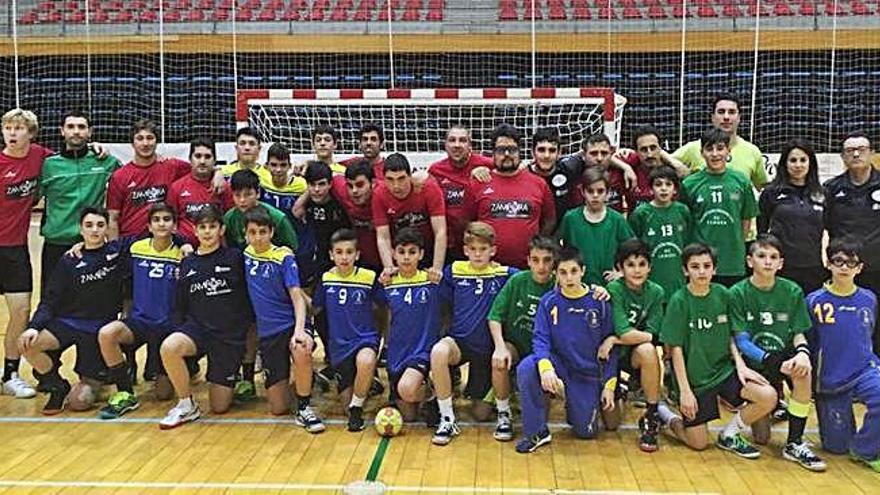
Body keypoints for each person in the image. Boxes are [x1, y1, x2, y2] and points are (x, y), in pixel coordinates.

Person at [658, 243, 777, 458]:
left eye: (706, 266)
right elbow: (674, 348)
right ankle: (665, 415)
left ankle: (729, 435)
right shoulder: (678, 301)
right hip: (696, 380)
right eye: (695, 267)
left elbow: (732, 335)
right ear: (685, 270)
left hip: (723, 371)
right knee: (698, 443)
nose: (702, 271)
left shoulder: (723, 294)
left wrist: (741, 367)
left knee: (767, 397)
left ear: (714, 269)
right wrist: (685, 391)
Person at [730, 235, 826, 471]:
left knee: (804, 371)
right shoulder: (737, 293)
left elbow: (798, 332)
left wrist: (802, 353)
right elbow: (741, 342)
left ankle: (794, 442)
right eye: (761, 256)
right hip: (755, 362)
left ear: (781, 263)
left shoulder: (792, 291)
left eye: (773, 257)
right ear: (750, 260)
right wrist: (773, 362)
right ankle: (763, 405)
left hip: (782, 356)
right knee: (762, 438)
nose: (768, 262)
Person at [514, 246, 618, 453]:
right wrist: (545, 368)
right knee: (527, 367)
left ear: (583, 271)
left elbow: (610, 346)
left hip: (587, 373)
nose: (569, 277)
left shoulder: (600, 302)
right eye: (563, 272)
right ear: (556, 274)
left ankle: (576, 401)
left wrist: (610, 383)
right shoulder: (549, 302)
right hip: (560, 364)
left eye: (573, 271)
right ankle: (536, 431)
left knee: (586, 432)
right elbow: (540, 339)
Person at [19, 207, 123, 414]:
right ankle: (58, 386)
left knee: (80, 402)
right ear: (80, 229)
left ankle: (96, 378)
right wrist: (33, 327)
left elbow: (157, 235)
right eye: (89, 225)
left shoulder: (118, 253)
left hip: (98, 330)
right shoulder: (69, 259)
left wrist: (184, 245)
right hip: (68, 322)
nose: (94, 230)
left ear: (107, 229)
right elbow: (50, 300)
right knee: (27, 344)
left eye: (100, 225)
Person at [158, 205, 252, 429]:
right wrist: (180, 329)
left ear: (221, 229)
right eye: (202, 227)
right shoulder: (188, 262)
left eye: (212, 226)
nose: (207, 232)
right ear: (195, 231)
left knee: (219, 406)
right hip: (197, 330)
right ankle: (186, 404)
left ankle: (231, 376)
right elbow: (180, 304)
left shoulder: (236, 257)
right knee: (170, 347)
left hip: (227, 336)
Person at [430, 222, 517, 446]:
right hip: (461, 343)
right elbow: (439, 299)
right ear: (465, 250)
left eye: (483, 249)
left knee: (480, 413)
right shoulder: (453, 271)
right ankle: (447, 418)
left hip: (489, 348)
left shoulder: (504, 274)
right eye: (473, 249)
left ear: (493, 250)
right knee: (438, 352)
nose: (478, 254)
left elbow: (537, 278)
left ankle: (504, 413)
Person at [242, 206, 325, 432]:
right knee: (278, 408)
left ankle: (305, 406)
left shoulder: (283, 256)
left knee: (301, 347)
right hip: (268, 333)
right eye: (252, 232)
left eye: (262, 231)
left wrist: (299, 329)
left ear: (271, 232)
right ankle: (303, 378)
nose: (258, 237)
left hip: (291, 323)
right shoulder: (246, 255)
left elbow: (297, 297)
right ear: (245, 234)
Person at [96, 203, 181, 419]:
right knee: (107, 334)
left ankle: (173, 370)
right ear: (149, 226)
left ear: (175, 225)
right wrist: (79, 248)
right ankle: (125, 392)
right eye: (157, 220)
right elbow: (104, 251)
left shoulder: (184, 252)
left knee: (163, 394)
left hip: (169, 327)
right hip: (140, 323)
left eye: (166, 219)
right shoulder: (134, 248)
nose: (162, 224)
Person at [807, 238, 880, 473]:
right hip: (830, 381)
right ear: (828, 264)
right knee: (835, 448)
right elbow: (807, 344)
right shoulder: (814, 301)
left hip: (864, 371)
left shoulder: (869, 299)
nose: (844, 267)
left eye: (850, 262)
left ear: (859, 268)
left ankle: (864, 450)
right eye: (838, 261)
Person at [0, 108, 52, 398]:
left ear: (30, 134)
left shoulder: (40, 157)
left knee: (21, 313)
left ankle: (9, 374)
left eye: (19, 128)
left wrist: (97, 148)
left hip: (15, 250)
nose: (12, 133)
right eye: (8, 127)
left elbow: (67, 159)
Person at [39, 110, 121, 293]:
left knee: (91, 300)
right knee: (53, 299)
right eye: (71, 127)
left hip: (93, 242)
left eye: (81, 127)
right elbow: (32, 198)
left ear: (90, 132)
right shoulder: (49, 165)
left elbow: (131, 177)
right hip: (57, 244)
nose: (76, 131)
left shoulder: (106, 162)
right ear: (62, 131)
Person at [311, 229, 384, 432]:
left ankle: (357, 408)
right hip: (339, 347)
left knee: (366, 361)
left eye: (349, 252)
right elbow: (315, 308)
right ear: (331, 255)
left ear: (357, 255)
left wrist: (382, 334)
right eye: (339, 252)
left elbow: (385, 305)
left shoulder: (369, 278)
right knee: (344, 403)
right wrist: (295, 294)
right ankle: (366, 385)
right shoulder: (326, 279)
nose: (344, 257)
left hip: (364, 340)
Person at [487, 236, 558, 442]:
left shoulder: (559, 285)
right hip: (516, 345)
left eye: (547, 260)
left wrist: (598, 291)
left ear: (554, 262)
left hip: (545, 352)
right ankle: (503, 414)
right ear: (527, 260)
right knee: (499, 359)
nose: (541, 266)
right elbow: (494, 317)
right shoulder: (517, 281)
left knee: (540, 418)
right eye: (535, 260)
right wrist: (500, 347)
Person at [599, 239, 665, 452]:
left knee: (648, 351)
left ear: (650, 267)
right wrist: (618, 339)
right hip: (611, 357)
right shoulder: (614, 289)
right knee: (611, 424)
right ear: (620, 268)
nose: (637, 270)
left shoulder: (656, 292)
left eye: (642, 264)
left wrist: (615, 339)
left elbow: (653, 336)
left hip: (632, 354)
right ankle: (622, 387)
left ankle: (652, 414)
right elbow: (623, 329)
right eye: (630, 265)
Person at [107, 119, 223, 240]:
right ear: (132, 143)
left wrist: (218, 172)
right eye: (140, 138)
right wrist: (114, 250)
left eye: (150, 138)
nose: (145, 143)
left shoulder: (172, 166)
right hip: (129, 241)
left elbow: (200, 167)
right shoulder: (119, 176)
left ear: (157, 142)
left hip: (163, 240)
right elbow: (113, 218)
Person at [468, 124, 556, 269]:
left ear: (520, 151)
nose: (507, 154)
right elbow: (467, 222)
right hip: (488, 269)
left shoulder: (539, 183)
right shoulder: (478, 182)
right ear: (493, 153)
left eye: (512, 150)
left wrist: (536, 244)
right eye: (501, 150)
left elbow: (550, 220)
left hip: (528, 268)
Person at [824, 132, 880, 353]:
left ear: (872, 153)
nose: (856, 154)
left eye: (862, 149)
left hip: (877, 268)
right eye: (850, 151)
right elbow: (823, 227)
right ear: (842, 157)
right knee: (846, 322)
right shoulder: (831, 188)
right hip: (844, 271)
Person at [679, 128, 757, 287]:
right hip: (700, 262)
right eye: (709, 149)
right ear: (702, 153)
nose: (715, 154)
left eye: (720, 148)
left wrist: (737, 245)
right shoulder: (689, 184)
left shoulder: (741, 181)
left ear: (728, 151)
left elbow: (746, 218)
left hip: (732, 262)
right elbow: (684, 222)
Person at [380, 228, 441, 423]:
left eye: (412, 252)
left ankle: (433, 395)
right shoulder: (387, 284)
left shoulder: (432, 281)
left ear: (421, 254)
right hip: (397, 354)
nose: (406, 258)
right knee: (409, 417)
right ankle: (424, 389)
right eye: (401, 252)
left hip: (421, 351)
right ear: (393, 254)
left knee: (407, 389)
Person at [758, 140, 826, 294]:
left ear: (811, 163)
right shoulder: (771, 192)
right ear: (784, 164)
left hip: (813, 266)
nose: (798, 165)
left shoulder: (823, 193)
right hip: (781, 267)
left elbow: (832, 228)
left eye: (803, 160)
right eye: (793, 160)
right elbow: (761, 232)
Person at [372, 153, 447, 281]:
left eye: (401, 178)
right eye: (390, 179)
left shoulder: (428, 188)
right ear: (383, 179)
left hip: (428, 251)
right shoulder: (379, 194)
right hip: (401, 255)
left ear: (410, 176)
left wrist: (437, 268)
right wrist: (389, 267)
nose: (396, 185)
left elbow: (440, 231)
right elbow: (383, 236)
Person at [673, 93, 767, 190]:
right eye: (721, 112)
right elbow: (661, 162)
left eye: (732, 112)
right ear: (713, 117)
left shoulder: (752, 151)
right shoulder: (693, 148)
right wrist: (679, 167)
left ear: (739, 117)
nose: (726, 117)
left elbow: (762, 187)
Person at [558, 167, 634, 286]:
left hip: (609, 287)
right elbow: (560, 250)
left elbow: (634, 251)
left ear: (608, 192)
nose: (595, 195)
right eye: (590, 191)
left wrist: (622, 273)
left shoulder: (617, 220)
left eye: (600, 191)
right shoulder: (571, 218)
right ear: (582, 191)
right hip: (577, 286)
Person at [427, 125, 494, 261]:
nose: (457, 145)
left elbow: (516, 170)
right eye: (452, 140)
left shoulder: (488, 165)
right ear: (445, 145)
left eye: (462, 140)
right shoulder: (435, 170)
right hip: (448, 245)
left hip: (479, 245)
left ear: (470, 145)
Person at [628, 166, 692, 296]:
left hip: (677, 277)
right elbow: (633, 247)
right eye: (658, 184)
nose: (663, 188)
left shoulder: (683, 211)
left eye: (668, 184)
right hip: (651, 278)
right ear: (651, 189)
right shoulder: (641, 214)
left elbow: (688, 241)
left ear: (675, 190)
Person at [293, 161, 352, 286]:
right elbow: (296, 212)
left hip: (341, 259)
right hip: (318, 259)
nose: (317, 189)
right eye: (312, 184)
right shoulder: (309, 201)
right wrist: (309, 192)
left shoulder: (339, 204)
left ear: (330, 184)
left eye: (321, 184)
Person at [167, 138, 234, 246]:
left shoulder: (223, 187)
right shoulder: (177, 188)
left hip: (216, 251)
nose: (202, 161)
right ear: (190, 159)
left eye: (207, 157)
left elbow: (230, 219)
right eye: (198, 156)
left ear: (214, 160)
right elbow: (171, 222)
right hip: (185, 251)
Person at [610, 125, 689, 209]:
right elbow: (604, 159)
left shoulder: (671, 169)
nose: (649, 154)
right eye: (644, 149)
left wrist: (669, 159)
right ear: (636, 151)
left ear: (660, 148)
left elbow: (685, 173)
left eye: (653, 148)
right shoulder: (632, 162)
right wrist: (626, 168)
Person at [223, 169, 298, 251]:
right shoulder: (229, 218)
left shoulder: (277, 218)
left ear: (258, 193)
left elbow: (291, 248)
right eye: (237, 195)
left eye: (248, 194)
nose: (242, 200)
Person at [559, 133, 634, 213]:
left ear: (611, 153)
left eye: (604, 153)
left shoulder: (619, 169)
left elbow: (644, 156)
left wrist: (627, 167)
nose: (599, 158)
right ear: (583, 155)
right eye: (594, 153)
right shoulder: (573, 172)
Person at [527, 128, 585, 226]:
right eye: (541, 150)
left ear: (559, 152)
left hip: (563, 235)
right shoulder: (524, 175)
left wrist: (620, 163)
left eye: (552, 150)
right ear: (533, 152)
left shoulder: (570, 168)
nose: (546, 155)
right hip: (534, 238)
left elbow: (600, 156)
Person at [332, 160, 381, 271]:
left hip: (389, 262)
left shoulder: (385, 193)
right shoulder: (341, 190)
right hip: (359, 263)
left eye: (360, 185)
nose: (354, 191)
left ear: (373, 183)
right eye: (350, 185)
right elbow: (327, 175)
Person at [259, 142, 307, 227]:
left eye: (283, 165)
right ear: (266, 166)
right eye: (274, 165)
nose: (278, 169)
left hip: (292, 233)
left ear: (290, 166)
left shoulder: (302, 185)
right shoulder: (261, 179)